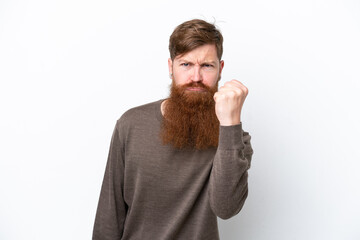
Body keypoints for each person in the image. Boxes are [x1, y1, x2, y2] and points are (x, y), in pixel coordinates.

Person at [92, 19, 254, 240]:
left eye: (206, 65)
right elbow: (109, 215)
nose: (196, 77)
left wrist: (230, 123)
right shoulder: (131, 125)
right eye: (186, 64)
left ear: (220, 69)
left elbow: (226, 208)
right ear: (171, 67)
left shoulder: (233, 138)